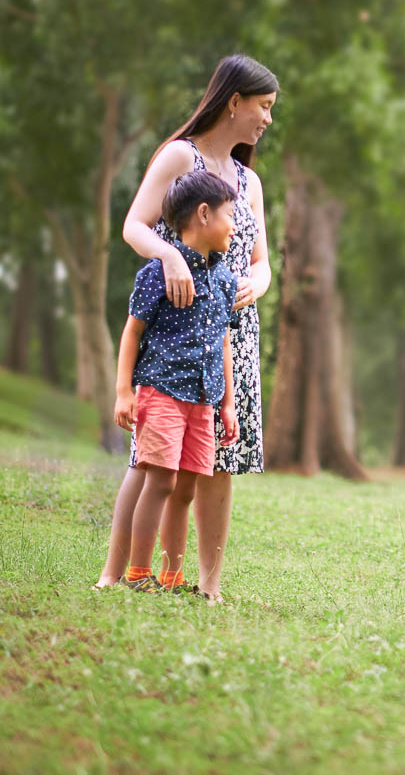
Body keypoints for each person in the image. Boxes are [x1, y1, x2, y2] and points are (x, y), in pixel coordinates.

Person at [94, 55, 278, 601]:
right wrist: (171, 260)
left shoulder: (250, 183)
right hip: (175, 330)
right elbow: (134, 225)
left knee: (219, 460)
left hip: (232, 335)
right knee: (153, 462)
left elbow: (262, 260)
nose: (268, 120)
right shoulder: (181, 156)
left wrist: (258, 284)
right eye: (264, 107)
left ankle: (208, 584)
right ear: (234, 101)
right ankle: (121, 570)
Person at [108, 171, 241, 593]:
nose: (235, 224)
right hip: (161, 391)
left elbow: (223, 342)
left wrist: (227, 403)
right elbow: (132, 332)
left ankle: (171, 576)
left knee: (185, 489)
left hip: (203, 400)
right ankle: (137, 573)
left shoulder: (224, 279)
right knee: (160, 481)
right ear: (203, 214)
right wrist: (124, 391)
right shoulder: (156, 273)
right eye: (229, 215)